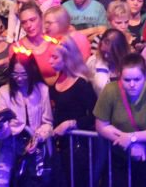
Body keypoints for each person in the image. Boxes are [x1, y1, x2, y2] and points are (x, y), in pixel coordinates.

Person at [93, 54, 146, 187]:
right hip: (117, 160)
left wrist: (132, 138)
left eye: (137, 79)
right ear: (120, 76)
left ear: (145, 77)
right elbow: (101, 126)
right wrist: (130, 143)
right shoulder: (110, 90)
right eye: (127, 80)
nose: (132, 84)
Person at [0, 52, 53, 187]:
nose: (19, 78)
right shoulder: (4, 92)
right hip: (11, 145)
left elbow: (48, 123)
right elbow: (3, 133)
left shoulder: (42, 90)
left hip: (35, 144)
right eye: (15, 74)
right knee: (0, 182)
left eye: (23, 74)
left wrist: (37, 138)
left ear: (31, 72)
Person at [48, 37, 97, 187]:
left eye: (54, 57)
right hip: (61, 145)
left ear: (67, 58)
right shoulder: (58, 80)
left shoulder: (81, 84)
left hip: (78, 147)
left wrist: (71, 124)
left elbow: (95, 116)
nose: (50, 61)